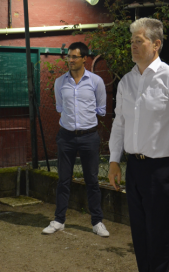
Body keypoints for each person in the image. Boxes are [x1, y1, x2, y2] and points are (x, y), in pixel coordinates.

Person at [107, 18, 169, 272]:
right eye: (131, 41)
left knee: (159, 234)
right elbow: (119, 123)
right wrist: (113, 160)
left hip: (163, 169)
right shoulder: (126, 82)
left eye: (138, 41)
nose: (133, 46)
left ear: (156, 44)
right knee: (139, 233)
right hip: (135, 169)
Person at [42, 42, 109, 237]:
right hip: (66, 137)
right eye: (68, 57)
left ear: (84, 59)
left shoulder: (96, 82)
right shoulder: (60, 82)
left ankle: (97, 222)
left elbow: (101, 109)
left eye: (74, 57)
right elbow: (60, 108)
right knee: (63, 180)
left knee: (92, 181)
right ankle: (59, 220)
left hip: (89, 137)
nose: (70, 60)